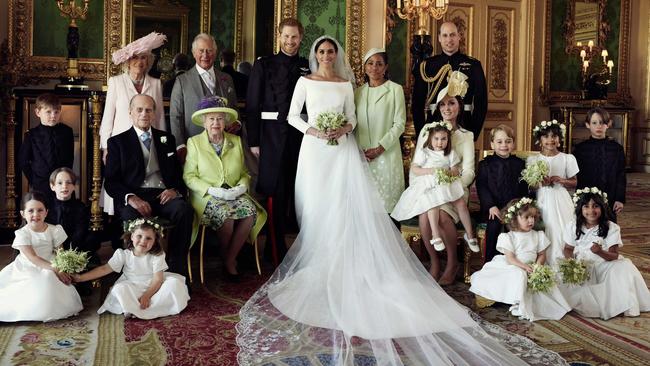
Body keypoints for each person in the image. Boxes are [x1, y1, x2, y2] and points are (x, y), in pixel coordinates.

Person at [235, 35, 567, 366]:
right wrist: (319, 132)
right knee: (315, 205)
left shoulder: (348, 84)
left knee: (347, 205)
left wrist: (343, 130)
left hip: (344, 152)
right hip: (315, 150)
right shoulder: (305, 81)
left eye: (330, 51)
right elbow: (294, 116)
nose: (325, 55)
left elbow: (351, 118)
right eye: (321, 51)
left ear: (337, 55)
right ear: (316, 54)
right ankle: (320, 258)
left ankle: (349, 261)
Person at [104, 94, 194, 279]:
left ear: (154, 114)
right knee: (128, 215)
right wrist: (132, 198)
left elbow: (177, 174)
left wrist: (174, 190)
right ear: (130, 112)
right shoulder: (117, 142)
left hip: (163, 195)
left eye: (148, 110)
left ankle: (176, 269)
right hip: (136, 196)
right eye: (139, 109)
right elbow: (111, 182)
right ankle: (134, 273)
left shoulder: (166, 139)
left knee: (183, 210)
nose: (144, 114)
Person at [246, 18, 310, 261]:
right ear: (279, 35)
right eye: (286, 36)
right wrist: (254, 141)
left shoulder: (307, 65)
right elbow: (252, 105)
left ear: (301, 37)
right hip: (271, 136)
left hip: (300, 137)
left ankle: (300, 247)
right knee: (276, 190)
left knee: (299, 190)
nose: (290, 41)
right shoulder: (264, 64)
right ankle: (274, 248)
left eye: (294, 37)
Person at [183, 96, 267, 280]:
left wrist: (241, 187)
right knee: (226, 217)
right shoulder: (194, 143)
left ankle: (228, 259)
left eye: (220, 118)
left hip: (233, 192)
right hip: (206, 195)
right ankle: (229, 260)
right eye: (211, 119)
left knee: (250, 212)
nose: (216, 123)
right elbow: (189, 177)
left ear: (225, 121)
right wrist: (212, 190)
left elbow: (245, 172)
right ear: (204, 122)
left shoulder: (234, 141)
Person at [415, 70, 476, 284]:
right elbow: (418, 164)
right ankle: (434, 261)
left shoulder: (466, 136)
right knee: (425, 216)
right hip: (430, 186)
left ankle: (452, 263)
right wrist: (426, 186)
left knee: (441, 215)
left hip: (454, 191)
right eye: (442, 104)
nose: (446, 109)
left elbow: (468, 171)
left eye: (451, 104)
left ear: (459, 106)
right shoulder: (427, 131)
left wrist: (453, 187)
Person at [470, 198, 571, 321]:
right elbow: (510, 258)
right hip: (514, 265)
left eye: (533, 217)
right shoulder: (509, 237)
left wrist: (538, 266)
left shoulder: (538, 235)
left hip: (532, 266)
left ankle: (534, 302)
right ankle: (517, 301)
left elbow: (542, 254)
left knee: (550, 278)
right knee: (519, 275)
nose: (531, 221)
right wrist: (524, 267)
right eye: (527, 218)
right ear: (514, 219)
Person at [100, 32, 167, 217]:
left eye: (144, 57)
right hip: (120, 144)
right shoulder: (116, 82)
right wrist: (106, 146)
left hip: (148, 140)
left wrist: (163, 145)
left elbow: (160, 116)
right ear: (128, 61)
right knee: (120, 185)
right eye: (135, 57)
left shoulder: (155, 83)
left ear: (149, 61)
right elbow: (108, 117)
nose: (139, 61)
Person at [73, 218, 189, 319]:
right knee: (119, 289)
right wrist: (81, 278)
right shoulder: (123, 254)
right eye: (139, 236)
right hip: (132, 285)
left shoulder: (157, 255)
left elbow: (158, 279)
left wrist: (147, 295)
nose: (143, 241)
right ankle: (135, 308)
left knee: (174, 284)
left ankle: (144, 308)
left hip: (154, 285)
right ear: (132, 236)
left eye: (149, 238)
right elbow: (104, 269)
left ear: (154, 242)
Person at [392, 121, 479, 255]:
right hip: (430, 183)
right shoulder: (424, 152)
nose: (440, 142)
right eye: (436, 139)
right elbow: (415, 169)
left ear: (448, 140)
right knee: (432, 203)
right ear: (430, 139)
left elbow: (455, 170)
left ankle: (470, 235)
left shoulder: (450, 153)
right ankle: (436, 235)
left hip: (445, 182)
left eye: (443, 139)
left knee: (460, 203)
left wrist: (449, 173)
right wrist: (430, 171)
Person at [561, 188, 650, 319]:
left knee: (623, 266)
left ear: (602, 208)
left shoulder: (611, 227)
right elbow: (568, 248)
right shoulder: (573, 226)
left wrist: (600, 252)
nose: (591, 211)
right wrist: (572, 264)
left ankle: (620, 303)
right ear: (580, 208)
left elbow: (613, 255)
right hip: (583, 265)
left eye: (595, 206)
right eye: (586, 207)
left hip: (604, 264)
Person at [0, 192, 83, 322]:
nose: (35, 215)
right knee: (41, 279)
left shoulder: (54, 230)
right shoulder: (22, 234)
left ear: (46, 212)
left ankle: (52, 307)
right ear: (23, 214)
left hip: (51, 264)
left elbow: (60, 253)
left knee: (49, 277)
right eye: (31, 211)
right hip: (28, 267)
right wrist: (56, 269)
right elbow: (33, 257)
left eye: (40, 210)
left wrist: (63, 267)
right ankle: (32, 309)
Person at [412, 21, 487, 139]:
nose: (449, 40)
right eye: (445, 35)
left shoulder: (473, 65)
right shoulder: (427, 66)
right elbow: (417, 103)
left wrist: (473, 133)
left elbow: (481, 103)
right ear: (439, 38)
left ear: (459, 37)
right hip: (433, 126)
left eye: (452, 35)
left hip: (464, 125)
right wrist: (422, 133)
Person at [170, 33, 238, 163]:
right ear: (194, 53)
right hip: (194, 147)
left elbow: (234, 108)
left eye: (209, 51)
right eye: (201, 51)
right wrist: (180, 145)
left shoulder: (227, 79)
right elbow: (176, 116)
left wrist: (237, 123)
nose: (205, 55)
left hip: (224, 147)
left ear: (215, 52)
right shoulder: (182, 81)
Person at [354, 48, 405, 214]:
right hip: (363, 155)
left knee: (386, 206)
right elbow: (353, 124)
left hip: (387, 154)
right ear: (365, 66)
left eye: (379, 64)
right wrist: (359, 151)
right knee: (365, 206)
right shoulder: (357, 92)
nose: (374, 67)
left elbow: (399, 124)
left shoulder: (395, 90)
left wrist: (380, 148)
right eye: (370, 63)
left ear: (385, 67)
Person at [526, 120, 578, 266]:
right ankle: (543, 260)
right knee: (546, 225)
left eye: (554, 136)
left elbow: (574, 182)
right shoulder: (533, 159)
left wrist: (561, 180)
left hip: (560, 197)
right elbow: (530, 185)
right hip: (543, 197)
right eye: (546, 137)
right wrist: (540, 183)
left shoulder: (567, 158)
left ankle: (565, 260)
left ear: (559, 139)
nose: (550, 140)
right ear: (539, 140)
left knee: (562, 227)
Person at [476, 125, 529, 261]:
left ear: (513, 143)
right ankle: (490, 261)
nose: (504, 145)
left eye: (508, 141)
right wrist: (490, 206)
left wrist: (519, 206)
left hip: (514, 207)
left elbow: (523, 187)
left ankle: (517, 261)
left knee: (516, 224)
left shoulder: (519, 164)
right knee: (494, 224)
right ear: (492, 144)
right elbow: (482, 186)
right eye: (499, 142)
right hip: (493, 208)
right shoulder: (485, 164)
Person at [18, 93, 73, 205]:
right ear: (38, 112)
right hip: (40, 184)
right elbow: (23, 161)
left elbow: (70, 158)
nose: (53, 115)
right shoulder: (31, 135)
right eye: (48, 112)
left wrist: (65, 179)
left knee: (65, 214)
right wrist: (34, 180)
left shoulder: (67, 132)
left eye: (56, 112)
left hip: (63, 185)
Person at [573, 107, 626, 221]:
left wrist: (620, 199)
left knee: (608, 229)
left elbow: (621, 175)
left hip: (609, 197)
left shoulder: (616, 149)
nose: (598, 126)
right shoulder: (580, 149)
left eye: (602, 123)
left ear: (608, 124)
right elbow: (575, 176)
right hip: (586, 198)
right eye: (594, 123)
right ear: (588, 125)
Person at [46, 167, 98, 260]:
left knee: (93, 238)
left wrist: (70, 253)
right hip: (52, 245)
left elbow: (80, 232)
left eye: (69, 182)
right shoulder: (47, 207)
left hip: (74, 245)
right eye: (60, 183)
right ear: (52, 186)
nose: (64, 186)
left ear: (74, 186)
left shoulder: (80, 207)